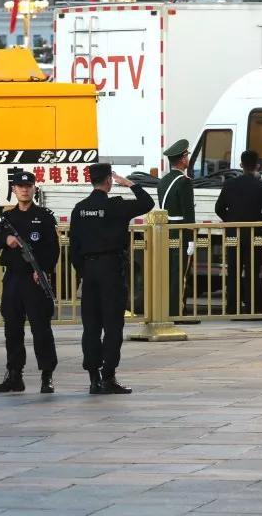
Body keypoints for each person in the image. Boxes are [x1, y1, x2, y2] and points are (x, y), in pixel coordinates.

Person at [69, 163, 154, 395]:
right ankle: (108, 376)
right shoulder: (116, 206)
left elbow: (74, 247)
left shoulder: (80, 209)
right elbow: (147, 203)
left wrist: (83, 271)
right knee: (113, 326)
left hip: (89, 271)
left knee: (91, 327)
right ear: (109, 180)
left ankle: (93, 378)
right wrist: (130, 183)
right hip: (111, 271)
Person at [0, 171, 59, 394]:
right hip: (13, 279)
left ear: (34, 188)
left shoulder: (44, 217)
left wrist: (43, 270)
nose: (24, 190)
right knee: (12, 329)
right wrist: (5, 239)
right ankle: (14, 375)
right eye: (20, 186)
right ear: (14, 190)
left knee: (41, 329)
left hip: (34, 280)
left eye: (28, 186)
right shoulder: (6, 218)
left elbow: (53, 249)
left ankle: (47, 375)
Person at [215, 149, 262, 314]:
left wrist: (230, 221)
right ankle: (251, 308)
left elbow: (219, 208)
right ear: (257, 166)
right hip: (253, 234)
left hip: (233, 234)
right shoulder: (261, 186)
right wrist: (257, 221)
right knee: (252, 271)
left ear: (241, 165)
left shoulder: (229, 184)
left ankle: (232, 308)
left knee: (233, 271)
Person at [158, 139, 195, 316]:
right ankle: (178, 310)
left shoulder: (163, 181)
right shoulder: (184, 182)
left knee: (170, 272)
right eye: (186, 156)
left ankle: (168, 308)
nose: (188, 159)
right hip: (181, 231)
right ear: (182, 159)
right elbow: (189, 214)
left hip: (168, 230)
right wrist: (191, 240)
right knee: (180, 273)